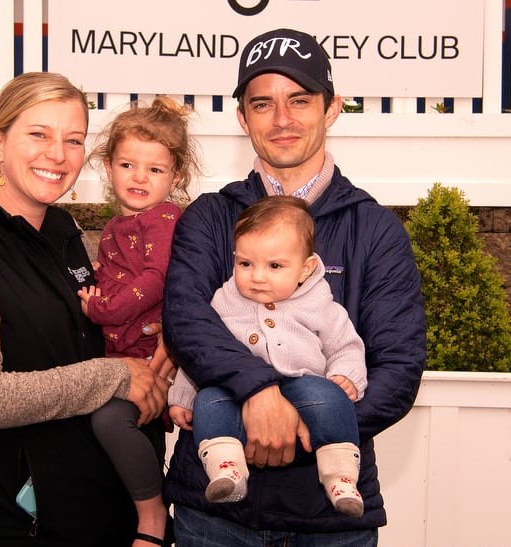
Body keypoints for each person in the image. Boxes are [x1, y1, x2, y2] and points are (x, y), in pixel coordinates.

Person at [162, 28, 427, 546]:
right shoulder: (210, 217)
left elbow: (398, 365)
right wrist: (260, 393)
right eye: (262, 104)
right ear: (243, 118)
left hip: (332, 521)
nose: (282, 119)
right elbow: (188, 323)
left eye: (300, 100)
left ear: (332, 109)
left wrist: (309, 427)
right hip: (216, 519)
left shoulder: (375, 228)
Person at [0, 72, 174, 547]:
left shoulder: (63, 232)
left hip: (120, 518)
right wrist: (115, 375)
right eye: (39, 134)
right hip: (36, 528)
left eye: (73, 140)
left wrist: (164, 337)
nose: (58, 155)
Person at [168, 195, 367, 518]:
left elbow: (346, 345)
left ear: (305, 268)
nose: (257, 277)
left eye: (275, 266)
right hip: (235, 393)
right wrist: (183, 395)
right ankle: (226, 470)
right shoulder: (225, 300)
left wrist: (346, 375)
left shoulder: (320, 304)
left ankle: (340, 475)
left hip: (303, 384)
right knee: (209, 401)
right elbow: (200, 350)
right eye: (245, 264)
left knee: (329, 397)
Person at [77, 97, 200, 547]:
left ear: (176, 177)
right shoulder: (119, 224)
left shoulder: (163, 218)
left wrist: (102, 309)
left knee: (110, 423)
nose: (139, 177)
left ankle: (152, 516)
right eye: (127, 164)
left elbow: (155, 279)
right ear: (108, 166)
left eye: (155, 169)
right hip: (121, 357)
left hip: (151, 361)